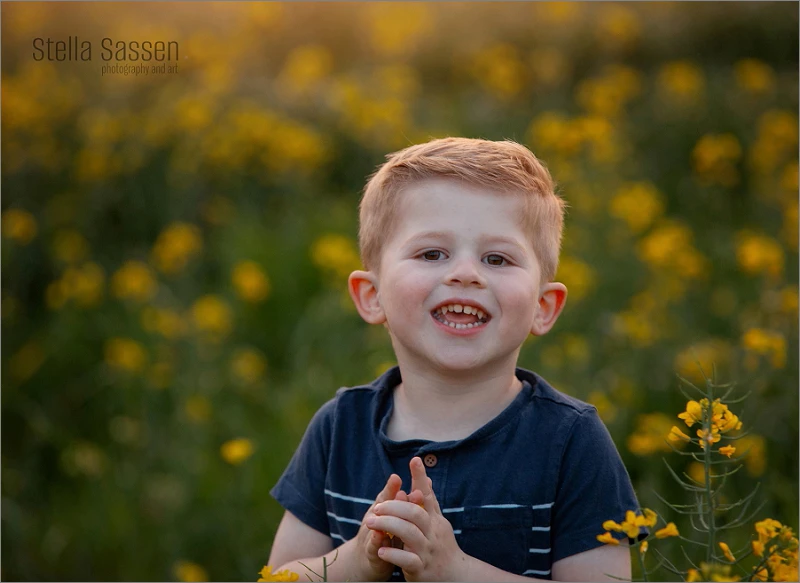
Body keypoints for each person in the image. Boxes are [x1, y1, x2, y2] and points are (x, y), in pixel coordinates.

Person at [267, 137, 642, 581]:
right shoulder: (339, 428)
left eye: (497, 258)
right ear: (372, 296)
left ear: (544, 307)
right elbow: (280, 576)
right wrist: (356, 561)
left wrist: (456, 572)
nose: (465, 273)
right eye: (432, 253)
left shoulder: (570, 441)